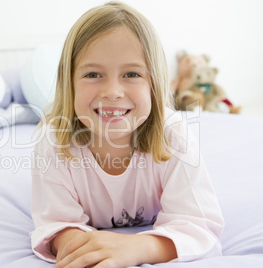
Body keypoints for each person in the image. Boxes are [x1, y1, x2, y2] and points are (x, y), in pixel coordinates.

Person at [30, 2, 224, 267]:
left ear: (155, 83)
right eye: (93, 74)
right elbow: (56, 223)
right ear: (70, 82)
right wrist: (82, 248)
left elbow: (198, 226)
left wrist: (136, 248)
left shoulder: (174, 135)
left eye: (131, 73)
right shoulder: (53, 142)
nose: (112, 91)